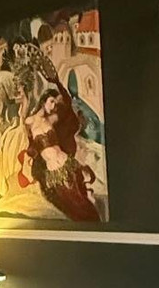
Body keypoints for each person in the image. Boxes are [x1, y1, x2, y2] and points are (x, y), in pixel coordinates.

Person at [17, 54, 100, 221]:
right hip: (52, 169)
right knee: (69, 204)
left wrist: (57, 82)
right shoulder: (29, 121)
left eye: (55, 102)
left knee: (80, 201)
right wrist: (24, 84)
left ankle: (94, 222)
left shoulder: (52, 120)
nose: (54, 105)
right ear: (43, 101)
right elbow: (25, 106)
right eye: (51, 101)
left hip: (64, 162)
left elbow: (67, 103)